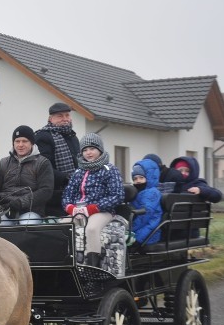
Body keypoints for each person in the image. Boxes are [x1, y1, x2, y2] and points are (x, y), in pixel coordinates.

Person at [62, 132, 125, 265]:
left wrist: (94, 208)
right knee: (62, 227)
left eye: (92, 149)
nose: (88, 153)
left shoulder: (109, 169)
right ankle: (65, 262)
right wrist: (71, 208)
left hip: (101, 211)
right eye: (85, 150)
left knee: (91, 228)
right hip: (79, 211)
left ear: (100, 150)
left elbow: (117, 195)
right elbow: (67, 194)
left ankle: (93, 265)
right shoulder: (78, 172)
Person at [0, 125, 54, 225]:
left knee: (26, 226)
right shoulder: (3, 163)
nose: (20, 145)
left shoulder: (43, 163)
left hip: (31, 212)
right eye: (17, 141)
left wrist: (21, 203)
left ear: (32, 143)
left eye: (24, 141)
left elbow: (46, 191)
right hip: (6, 212)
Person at [35, 102, 81, 217]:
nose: (65, 119)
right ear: (50, 119)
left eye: (67, 115)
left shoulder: (73, 137)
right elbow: (44, 167)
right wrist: (66, 178)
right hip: (55, 195)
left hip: (76, 191)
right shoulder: (43, 136)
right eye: (60, 116)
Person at [129, 158, 163, 247]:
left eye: (141, 177)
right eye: (135, 178)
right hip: (140, 229)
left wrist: (131, 230)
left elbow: (145, 215)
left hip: (150, 234)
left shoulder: (152, 192)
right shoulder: (138, 192)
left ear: (149, 177)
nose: (138, 181)